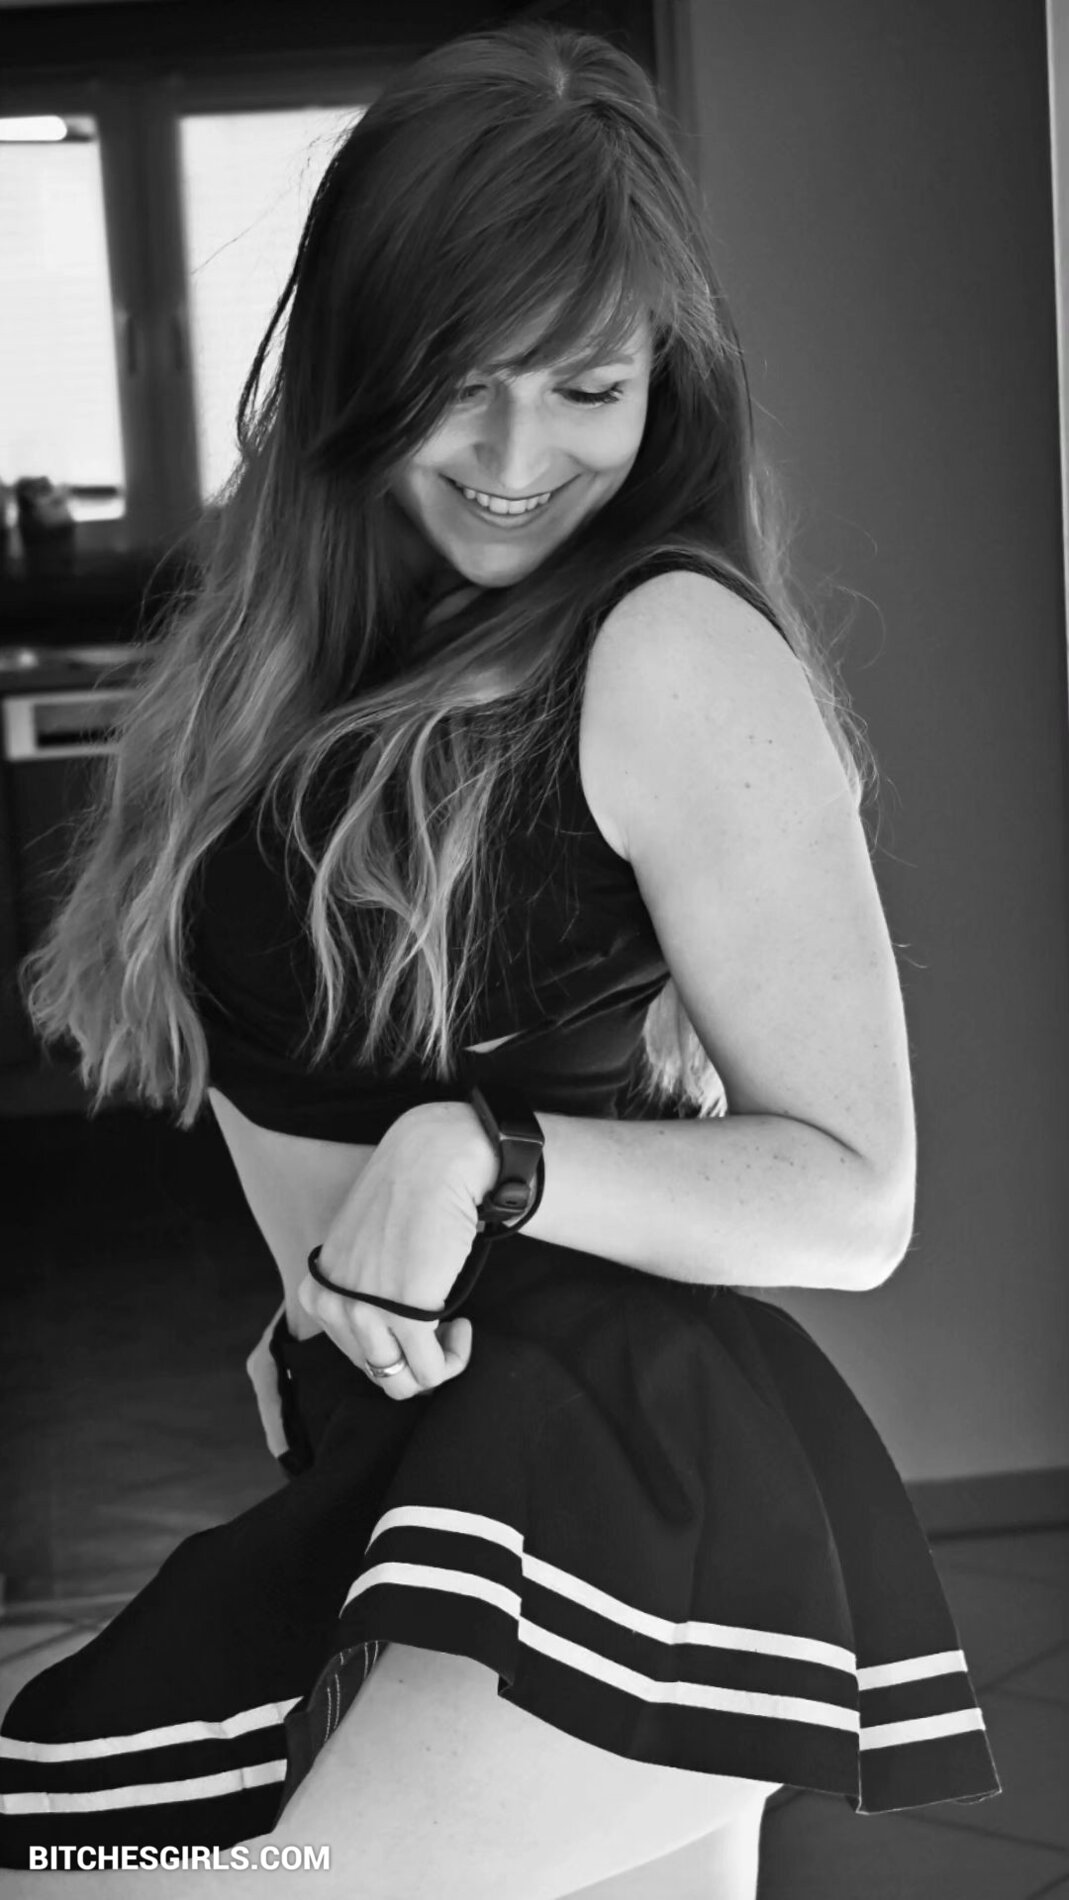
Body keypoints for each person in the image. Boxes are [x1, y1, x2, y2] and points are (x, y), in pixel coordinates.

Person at [0, 22, 999, 1898]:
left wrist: (477, 1155)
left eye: (586, 386)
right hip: (409, 1451)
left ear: (665, 377)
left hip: (615, 1472)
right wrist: (314, 1289)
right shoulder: (288, 657)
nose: (520, 460)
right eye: (458, 385)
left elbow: (856, 1194)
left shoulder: (666, 649)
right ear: (353, 367)